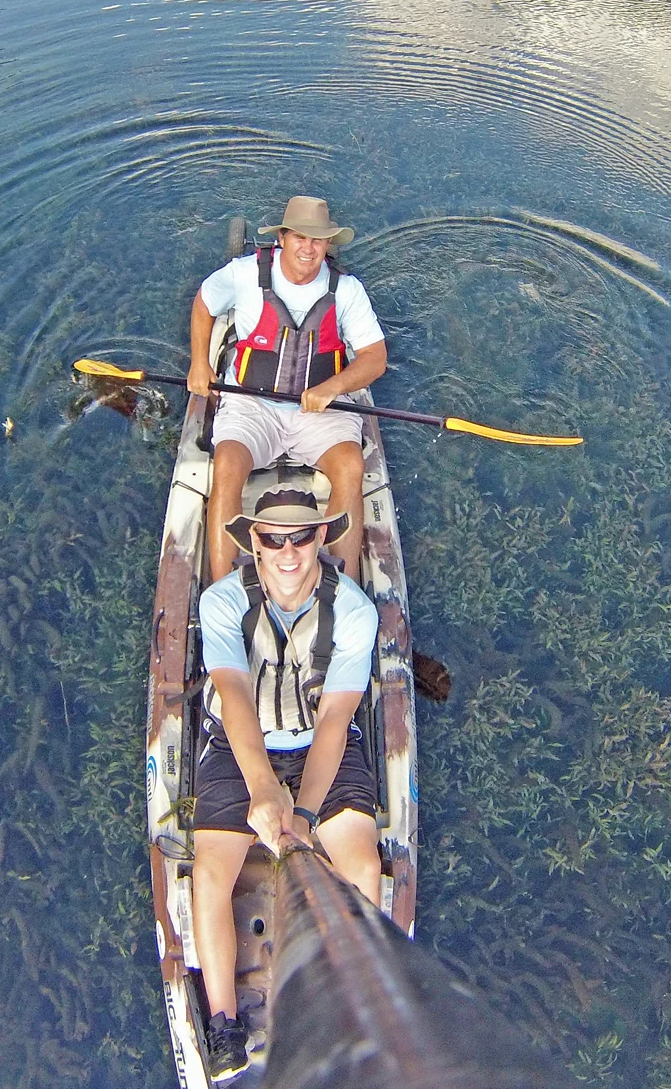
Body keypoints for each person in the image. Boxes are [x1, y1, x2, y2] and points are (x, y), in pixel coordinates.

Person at [191, 488, 384, 1081]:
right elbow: (236, 700)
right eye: (273, 538)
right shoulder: (222, 604)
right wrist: (262, 791)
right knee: (210, 872)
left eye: (301, 536)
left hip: (318, 746)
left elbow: (334, 719)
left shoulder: (353, 611)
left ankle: (356, 1005)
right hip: (236, 744)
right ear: (253, 542)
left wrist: (300, 811)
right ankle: (224, 1022)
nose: (288, 552)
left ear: (322, 538)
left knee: (363, 865)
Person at [189, 196, 387, 583]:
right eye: (299, 237)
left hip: (319, 411)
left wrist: (333, 386)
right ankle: (223, 591)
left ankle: (339, 587)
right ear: (281, 238)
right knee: (227, 464)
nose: (308, 248)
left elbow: (374, 359)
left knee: (350, 465)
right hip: (251, 406)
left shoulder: (346, 291)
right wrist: (200, 362)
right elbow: (204, 303)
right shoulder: (242, 274)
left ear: (328, 245)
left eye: (318, 240)